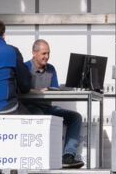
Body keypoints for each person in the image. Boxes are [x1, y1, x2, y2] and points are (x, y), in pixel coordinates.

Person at [24, 39, 87, 169]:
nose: (46, 57)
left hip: (47, 108)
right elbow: (21, 89)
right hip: (30, 108)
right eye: (43, 53)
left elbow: (55, 89)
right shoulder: (25, 68)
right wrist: (38, 91)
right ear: (34, 53)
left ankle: (68, 156)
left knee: (75, 117)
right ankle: (40, 157)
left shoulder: (51, 68)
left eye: (48, 53)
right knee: (40, 116)